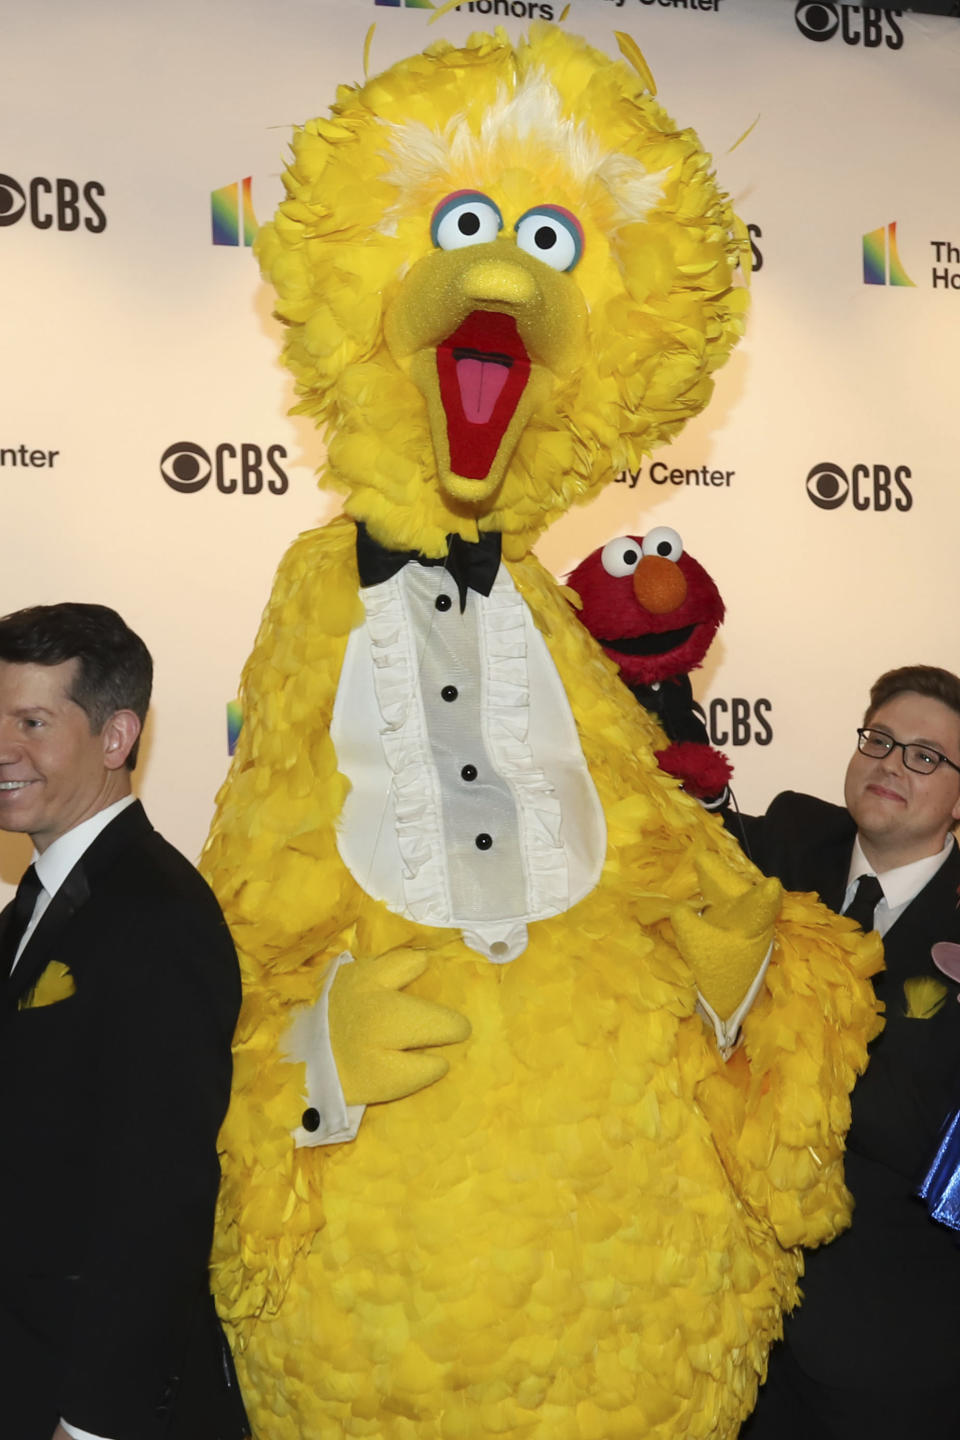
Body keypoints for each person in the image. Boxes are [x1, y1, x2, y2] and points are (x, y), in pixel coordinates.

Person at [0, 603, 248, 1440]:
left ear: (116, 738)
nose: (2, 749)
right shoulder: (40, 898)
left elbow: (160, 1194)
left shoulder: (154, 911)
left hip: (89, 1402)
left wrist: (96, 1421)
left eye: (32, 721)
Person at [736, 665, 960, 1439]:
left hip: (894, 1354)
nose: (893, 763)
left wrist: (806, 1036)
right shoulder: (792, 838)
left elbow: (929, 1140)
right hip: (738, 1338)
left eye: (927, 756)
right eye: (881, 740)